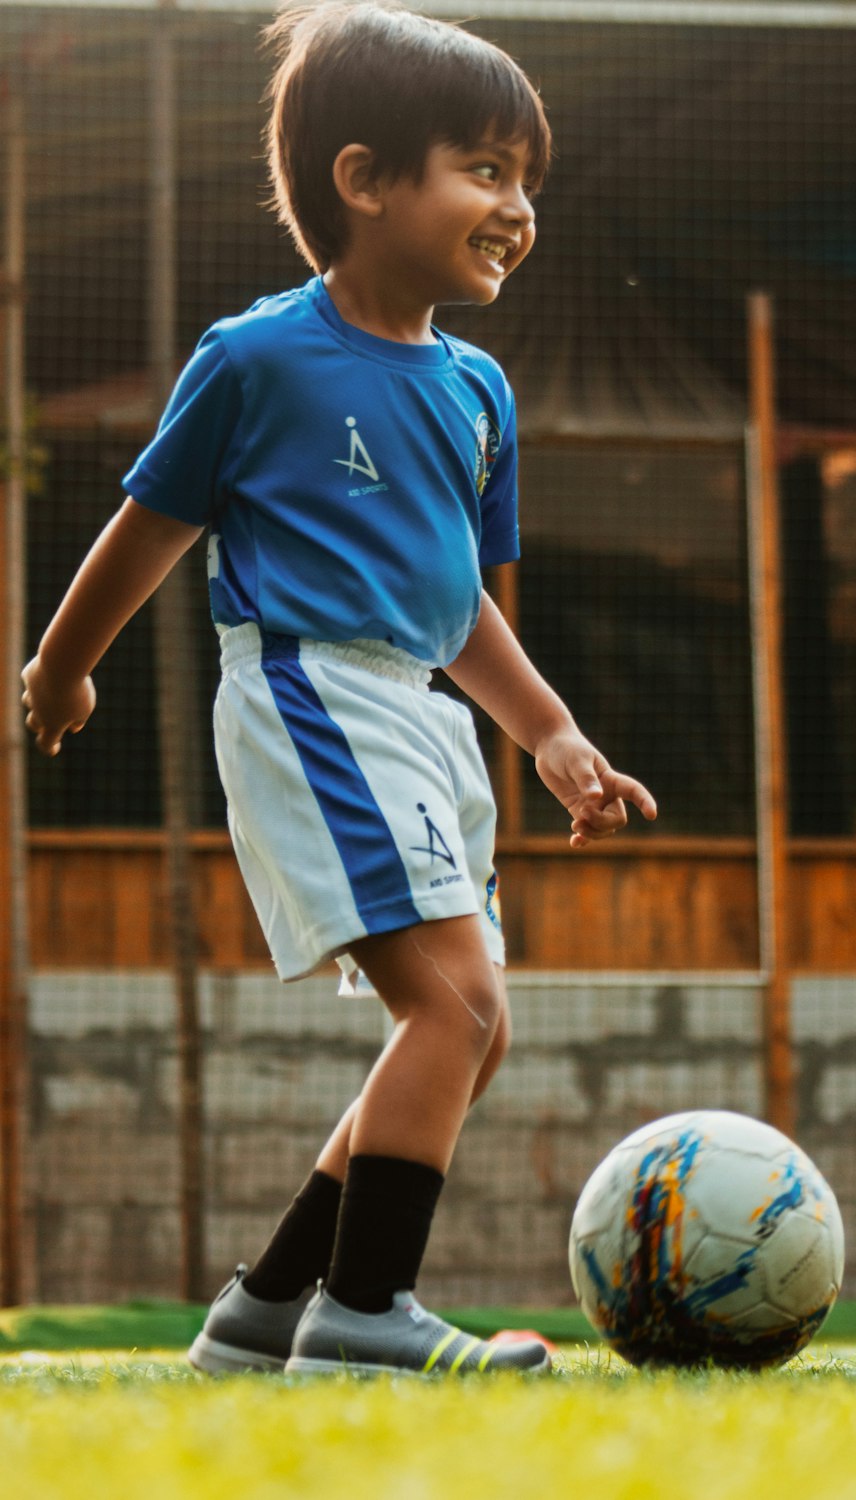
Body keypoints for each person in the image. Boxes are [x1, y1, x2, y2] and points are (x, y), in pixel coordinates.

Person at [21, 0, 657, 1376]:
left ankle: (266, 1310)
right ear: (365, 182)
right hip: (310, 698)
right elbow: (144, 529)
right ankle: (365, 1317)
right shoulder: (255, 361)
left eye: (526, 178)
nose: (518, 205)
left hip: (425, 718)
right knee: (454, 1012)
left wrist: (547, 731)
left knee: (471, 1034)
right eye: (484, 170)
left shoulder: (480, 391)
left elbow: (458, 605)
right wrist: (63, 669)